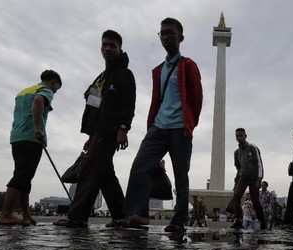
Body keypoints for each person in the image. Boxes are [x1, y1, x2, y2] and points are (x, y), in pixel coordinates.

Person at [117, 17, 203, 233]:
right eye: (162, 33)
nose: (165, 36)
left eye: (170, 33)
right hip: (158, 127)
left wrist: (189, 123)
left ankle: (179, 220)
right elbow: (157, 99)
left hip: (180, 128)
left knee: (180, 175)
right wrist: (152, 123)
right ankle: (138, 213)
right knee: (140, 166)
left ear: (180, 38)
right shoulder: (159, 70)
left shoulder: (188, 65)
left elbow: (196, 98)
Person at [54, 30, 135, 228]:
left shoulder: (125, 74)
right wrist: (90, 135)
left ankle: (78, 216)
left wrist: (123, 129)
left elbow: (128, 104)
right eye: (104, 45)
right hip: (98, 131)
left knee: (89, 170)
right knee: (105, 174)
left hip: (110, 130)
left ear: (120, 49)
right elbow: (94, 108)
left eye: (112, 45)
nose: (107, 48)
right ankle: (121, 215)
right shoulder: (101, 78)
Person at [0, 70, 61, 225]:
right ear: (53, 82)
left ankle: (26, 215)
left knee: (25, 177)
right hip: (31, 138)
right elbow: (39, 101)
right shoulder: (45, 90)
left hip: (16, 137)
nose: (55, 92)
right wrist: (38, 128)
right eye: (56, 88)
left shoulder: (23, 92)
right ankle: (6, 214)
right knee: (21, 176)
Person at [226, 128, 266, 229]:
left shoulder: (253, 148)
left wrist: (259, 179)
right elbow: (238, 168)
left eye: (240, 135)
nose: (239, 138)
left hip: (253, 179)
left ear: (245, 136)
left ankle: (262, 221)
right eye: (237, 136)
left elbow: (259, 164)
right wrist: (236, 182)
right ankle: (238, 220)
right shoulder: (236, 152)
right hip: (243, 178)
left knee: (255, 201)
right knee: (236, 196)